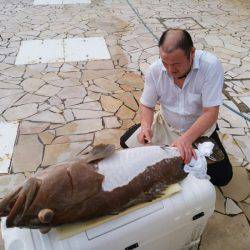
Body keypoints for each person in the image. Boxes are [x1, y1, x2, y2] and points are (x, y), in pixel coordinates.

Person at [120, 29, 232, 186]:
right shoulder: (155, 70)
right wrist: (146, 127)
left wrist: (185, 140)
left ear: (192, 53)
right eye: (165, 63)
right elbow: (147, 104)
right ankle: (151, 135)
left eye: (176, 64)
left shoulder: (210, 66)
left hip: (198, 130)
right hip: (166, 124)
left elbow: (210, 113)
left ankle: (179, 153)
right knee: (126, 141)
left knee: (222, 176)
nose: (170, 70)